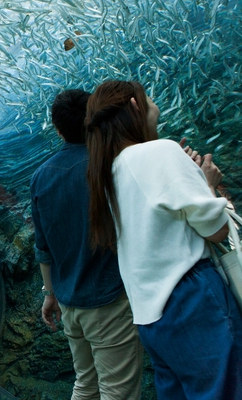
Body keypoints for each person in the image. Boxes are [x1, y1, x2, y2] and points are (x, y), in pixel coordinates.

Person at [85, 80, 242, 399]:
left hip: (152, 318)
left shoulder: (108, 174)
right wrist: (209, 185)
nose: (155, 105)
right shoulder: (160, 151)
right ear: (134, 105)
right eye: (150, 98)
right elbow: (217, 230)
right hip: (193, 299)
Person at [31, 89, 143, 400]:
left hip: (69, 301)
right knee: (116, 392)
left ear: (57, 129)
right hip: (108, 299)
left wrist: (50, 294)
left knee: (85, 385)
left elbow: (43, 246)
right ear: (94, 120)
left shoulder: (41, 176)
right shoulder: (110, 167)